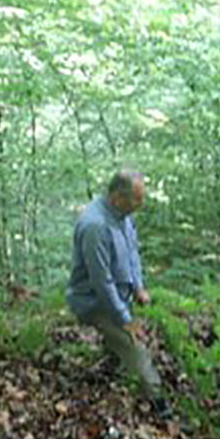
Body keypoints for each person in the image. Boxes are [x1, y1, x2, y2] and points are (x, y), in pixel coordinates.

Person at [65, 170, 169, 418]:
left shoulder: (124, 215)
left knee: (120, 342)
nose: (140, 205)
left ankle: (108, 371)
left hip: (119, 295)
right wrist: (125, 319)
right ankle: (160, 404)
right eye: (136, 199)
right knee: (135, 346)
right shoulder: (95, 226)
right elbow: (102, 283)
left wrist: (138, 286)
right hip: (94, 300)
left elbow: (132, 253)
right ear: (116, 197)